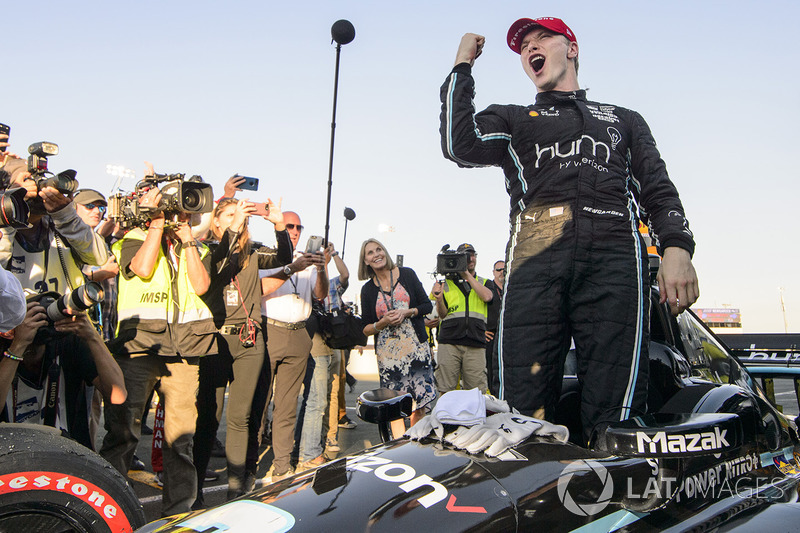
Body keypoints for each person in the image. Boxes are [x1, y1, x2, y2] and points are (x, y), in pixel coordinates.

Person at [440, 17, 699, 443]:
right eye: (524, 46)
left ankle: (613, 495)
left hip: (615, 253)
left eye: (542, 38)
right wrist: (462, 65)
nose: (530, 48)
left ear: (572, 48)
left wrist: (677, 248)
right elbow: (458, 143)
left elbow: (659, 189)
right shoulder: (516, 118)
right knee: (519, 409)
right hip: (535, 252)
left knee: (616, 410)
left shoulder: (624, 120)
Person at [99, 186, 218, 516]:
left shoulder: (195, 245)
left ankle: (178, 514)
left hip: (185, 349)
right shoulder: (132, 237)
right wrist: (155, 223)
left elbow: (201, 286)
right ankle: (110, 511)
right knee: (123, 435)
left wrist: (187, 238)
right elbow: (142, 268)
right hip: (140, 347)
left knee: (181, 441)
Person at [195, 194, 291, 502]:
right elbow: (220, 265)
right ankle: (193, 490)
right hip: (216, 339)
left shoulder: (252, 250)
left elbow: (284, 258)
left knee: (241, 418)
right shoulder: (207, 249)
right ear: (217, 220)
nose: (239, 218)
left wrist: (279, 226)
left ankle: (234, 494)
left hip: (250, 341)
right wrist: (234, 231)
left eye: (242, 215)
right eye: (230, 214)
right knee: (208, 416)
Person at [0, 300, 127, 450]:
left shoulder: (68, 344)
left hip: (68, 456)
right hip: (10, 457)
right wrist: (18, 345)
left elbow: (118, 395)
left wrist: (92, 336)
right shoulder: (4, 348)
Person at [259, 211, 328, 482]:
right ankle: (247, 465)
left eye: (299, 226)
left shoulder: (309, 261)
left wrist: (321, 267)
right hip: (270, 329)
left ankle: (282, 467)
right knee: (259, 403)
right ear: (279, 228)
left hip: (299, 333)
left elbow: (320, 294)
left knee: (287, 407)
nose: (296, 230)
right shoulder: (265, 254)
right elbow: (260, 289)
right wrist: (291, 267)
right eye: (290, 226)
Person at [359, 238, 436, 438]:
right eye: (370, 253)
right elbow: (366, 329)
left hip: (416, 350)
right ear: (365, 261)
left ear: (385, 252)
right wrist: (382, 322)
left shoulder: (407, 274)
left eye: (379, 249)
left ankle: (416, 444)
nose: (376, 254)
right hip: (389, 358)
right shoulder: (367, 290)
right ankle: (400, 447)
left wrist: (407, 312)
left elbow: (427, 306)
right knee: (395, 407)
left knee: (419, 405)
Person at [433, 243, 493, 394]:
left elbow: (487, 297)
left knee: (476, 391)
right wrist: (439, 299)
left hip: (475, 342)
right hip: (449, 341)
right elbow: (442, 315)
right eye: (465, 256)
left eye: (472, 255)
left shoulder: (485, 283)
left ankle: (475, 418)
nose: (470, 259)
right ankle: (445, 418)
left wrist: (466, 275)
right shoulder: (444, 284)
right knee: (446, 390)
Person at [484, 260, 504, 396]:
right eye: (498, 270)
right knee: (491, 371)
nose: (502, 272)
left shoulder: (512, 288)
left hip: (507, 336)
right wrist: (481, 330)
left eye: (504, 269)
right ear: (493, 272)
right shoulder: (488, 288)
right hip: (491, 336)